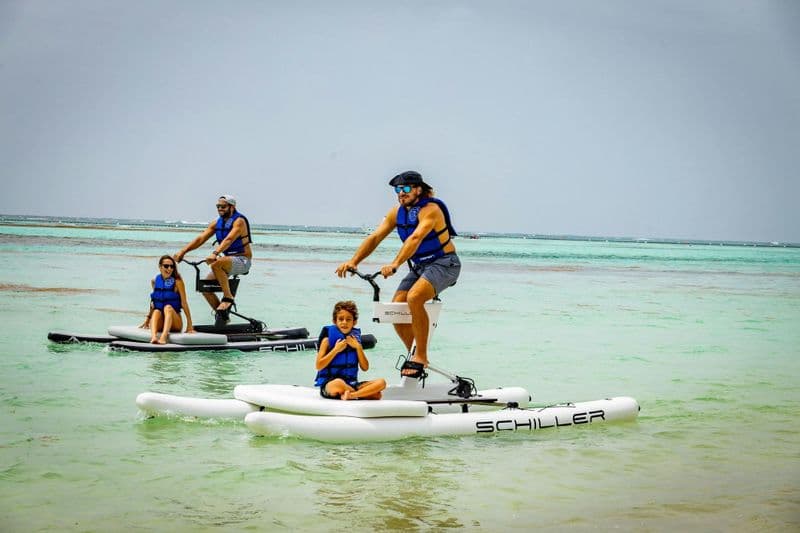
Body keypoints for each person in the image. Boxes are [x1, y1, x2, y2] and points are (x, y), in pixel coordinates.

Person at [335, 171, 461, 380]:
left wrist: (395, 264)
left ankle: (421, 356)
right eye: (397, 190)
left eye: (406, 189)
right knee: (396, 309)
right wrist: (354, 261)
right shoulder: (396, 213)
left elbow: (416, 238)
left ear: (418, 189)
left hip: (445, 263)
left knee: (414, 297)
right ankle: (414, 353)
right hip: (420, 266)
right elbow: (375, 237)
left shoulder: (431, 210)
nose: (401, 193)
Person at [174, 194, 252, 322]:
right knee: (205, 288)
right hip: (226, 262)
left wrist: (215, 253)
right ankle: (223, 317)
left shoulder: (239, 221)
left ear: (232, 207)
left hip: (243, 261)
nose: (220, 209)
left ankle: (228, 298)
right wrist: (183, 251)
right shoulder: (217, 223)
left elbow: (229, 239)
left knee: (216, 263)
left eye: (223, 206)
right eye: (218, 206)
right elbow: (201, 238)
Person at [315, 300, 386, 400]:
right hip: (331, 385)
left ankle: (351, 395)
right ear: (335, 321)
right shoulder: (327, 341)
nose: (344, 322)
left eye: (348, 319)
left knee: (381, 383)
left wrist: (358, 347)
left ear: (354, 322)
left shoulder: (355, 341)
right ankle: (357, 394)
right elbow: (318, 365)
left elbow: (365, 367)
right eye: (341, 319)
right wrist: (335, 350)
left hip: (352, 384)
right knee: (338, 383)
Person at [141, 255, 194, 344]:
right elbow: (154, 302)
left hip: (175, 323)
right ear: (160, 267)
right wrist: (147, 320)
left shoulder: (178, 282)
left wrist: (189, 325)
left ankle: (163, 338)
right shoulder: (155, 281)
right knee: (157, 311)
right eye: (166, 266)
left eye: (172, 266)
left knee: (168, 307)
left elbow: (184, 303)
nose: (169, 269)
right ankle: (154, 337)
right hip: (161, 322)